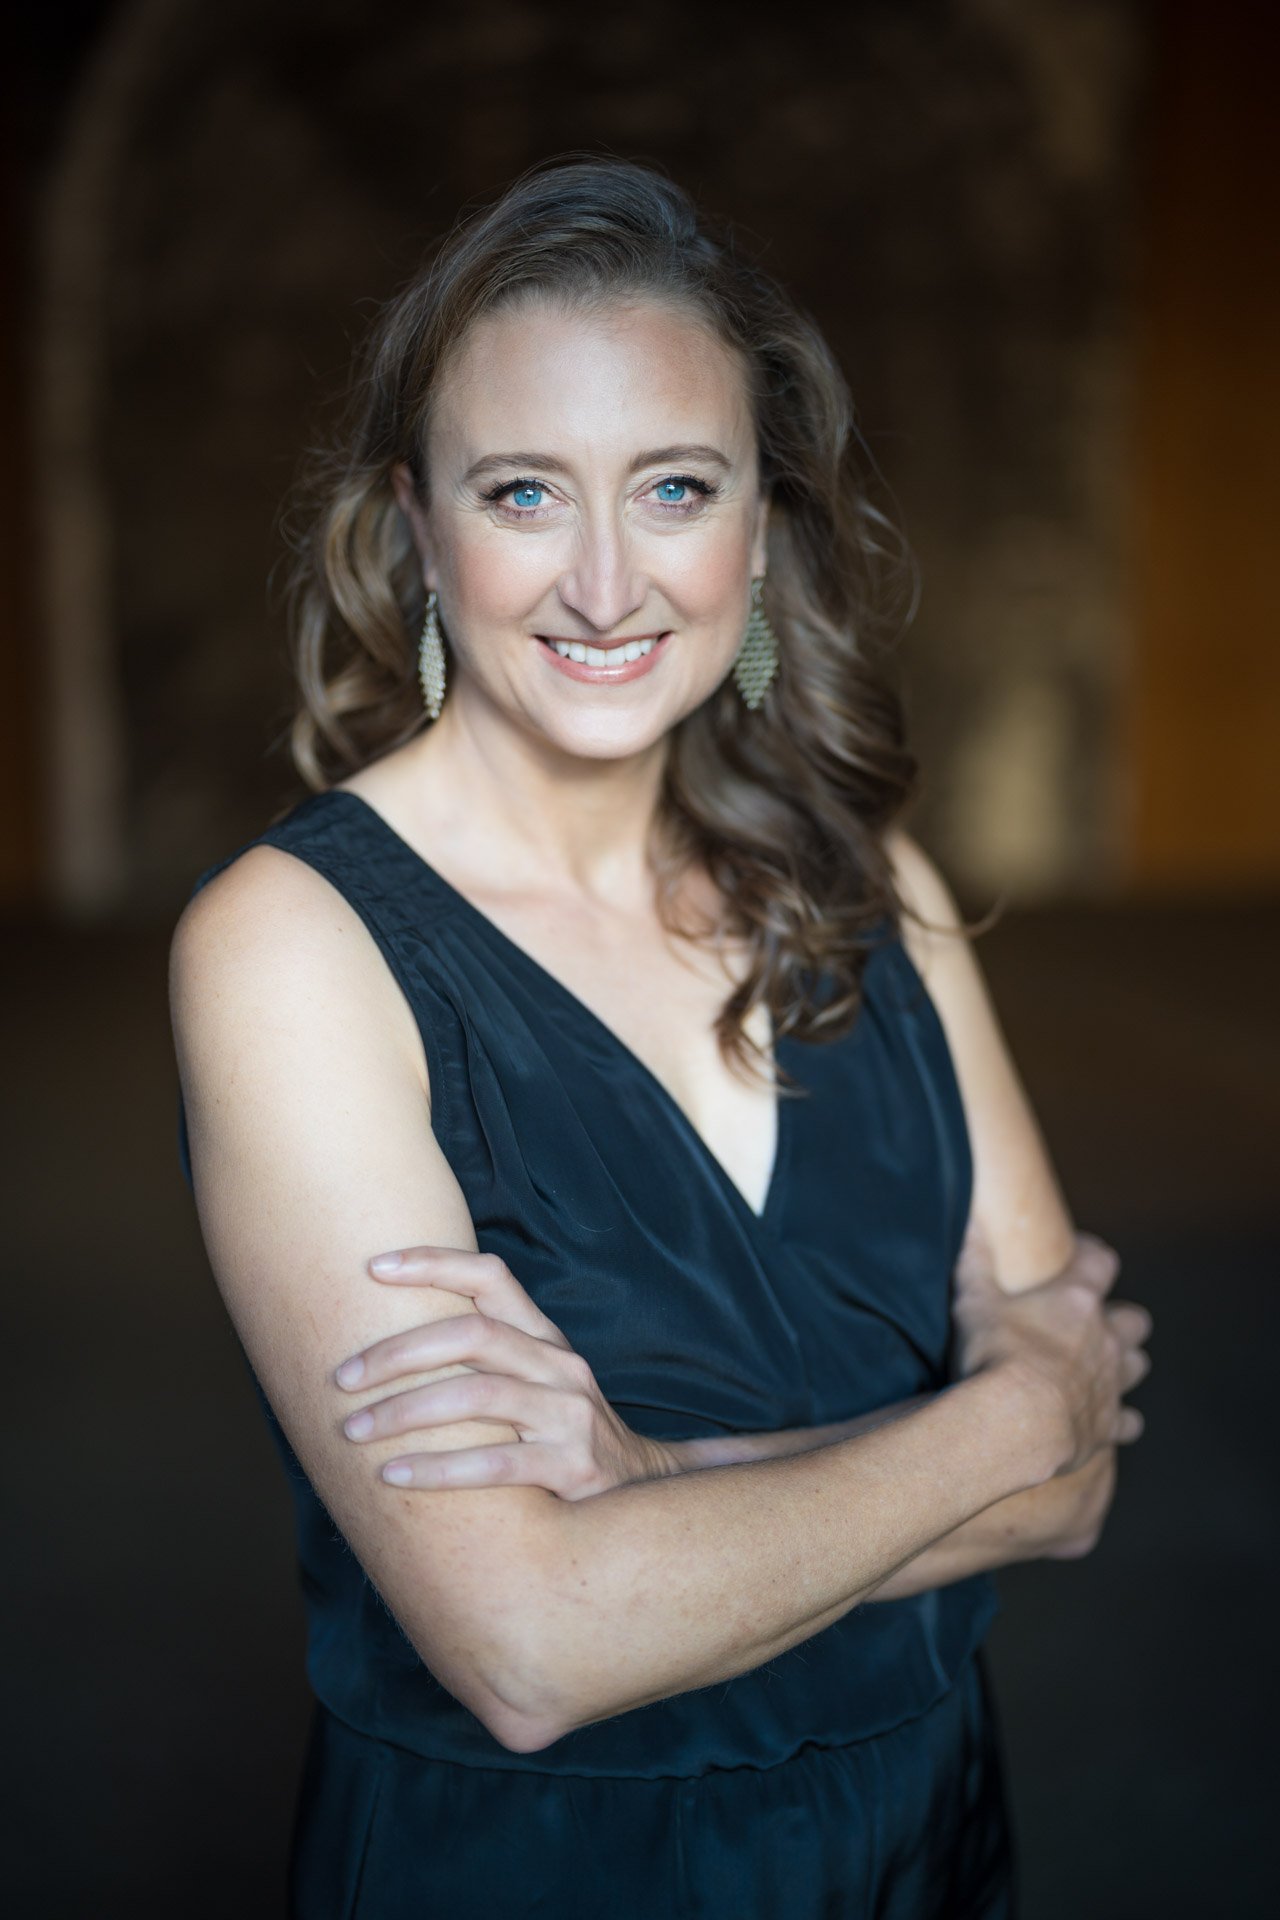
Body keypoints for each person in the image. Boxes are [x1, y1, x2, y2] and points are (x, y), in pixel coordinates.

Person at [168, 154, 1152, 1918]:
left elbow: (1083, 1496)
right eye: (525, 494)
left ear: (759, 527)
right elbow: (531, 1643)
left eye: (677, 487)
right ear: (418, 528)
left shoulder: (878, 888)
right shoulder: (291, 951)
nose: (609, 584)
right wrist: (1004, 1418)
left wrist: (666, 1480)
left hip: (928, 1839)